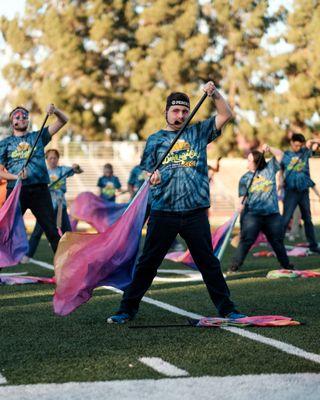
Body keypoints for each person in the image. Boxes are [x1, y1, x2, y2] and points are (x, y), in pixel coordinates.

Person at [107, 81, 245, 324]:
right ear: (167, 112)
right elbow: (147, 171)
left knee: (208, 263)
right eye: (175, 111)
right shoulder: (155, 140)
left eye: (184, 111)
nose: (180, 115)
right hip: (163, 211)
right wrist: (153, 177)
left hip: (195, 211)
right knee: (148, 263)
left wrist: (214, 94)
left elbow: (226, 114)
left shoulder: (198, 132)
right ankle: (126, 309)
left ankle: (227, 309)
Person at [0, 104, 68, 256]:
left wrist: (56, 111)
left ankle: (63, 273)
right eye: (17, 116)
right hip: (16, 192)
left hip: (40, 191)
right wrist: (15, 177)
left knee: (52, 232)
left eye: (24, 115)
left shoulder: (38, 136)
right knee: (7, 232)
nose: (22, 118)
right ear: (12, 123)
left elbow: (64, 120)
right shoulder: (4, 144)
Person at [229, 145, 293, 273]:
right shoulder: (245, 178)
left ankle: (286, 265)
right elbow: (242, 197)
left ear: (257, 162)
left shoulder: (269, 168)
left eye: (249, 160)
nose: (247, 163)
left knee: (277, 241)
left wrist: (269, 148)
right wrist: (240, 205)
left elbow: (280, 155)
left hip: (272, 214)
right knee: (247, 240)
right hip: (253, 215)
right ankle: (235, 265)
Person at [22, 149, 83, 262]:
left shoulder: (62, 170)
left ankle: (72, 255)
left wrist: (76, 167)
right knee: (37, 232)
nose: (52, 160)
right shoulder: (42, 172)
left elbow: (79, 171)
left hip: (60, 206)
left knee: (67, 232)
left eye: (55, 158)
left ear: (58, 159)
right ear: (46, 159)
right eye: (50, 158)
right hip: (45, 207)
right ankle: (28, 255)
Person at [280, 133, 320, 253]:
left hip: (303, 192)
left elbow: (317, 143)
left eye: (300, 145)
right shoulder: (286, 155)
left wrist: (311, 140)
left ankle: (313, 245)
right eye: (296, 145)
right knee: (285, 219)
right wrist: (280, 181)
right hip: (290, 191)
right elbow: (281, 170)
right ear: (291, 142)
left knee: (308, 219)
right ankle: (277, 244)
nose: (298, 147)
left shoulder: (305, 152)